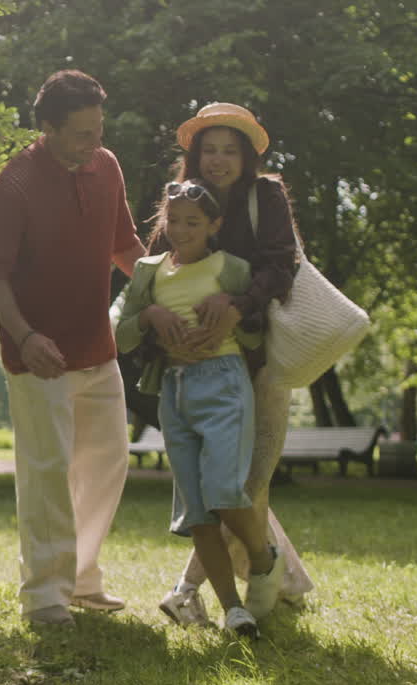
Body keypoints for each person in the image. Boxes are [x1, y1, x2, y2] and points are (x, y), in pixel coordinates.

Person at [0, 69, 146, 626]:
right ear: (47, 128)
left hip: (97, 346)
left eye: (98, 129)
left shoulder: (107, 165)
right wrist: (25, 335)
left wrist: (158, 292)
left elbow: (125, 244)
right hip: (38, 354)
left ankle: (81, 578)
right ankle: (45, 596)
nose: (92, 142)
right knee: (47, 469)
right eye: (80, 133)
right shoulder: (15, 183)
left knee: (107, 463)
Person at [150, 102, 316, 627]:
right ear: (195, 154)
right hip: (192, 369)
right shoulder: (179, 204)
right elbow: (152, 270)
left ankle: (193, 589)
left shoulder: (264, 195)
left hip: (259, 360)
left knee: (248, 480)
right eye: (209, 149)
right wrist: (155, 315)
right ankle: (265, 581)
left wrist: (236, 303)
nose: (218, 160)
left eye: (229, 150)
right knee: (219, 483)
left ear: (245, 156)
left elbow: (280, 265)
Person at [114, 179, 281, 635]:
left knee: (224, 489)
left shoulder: (231, 267)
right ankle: (233, 609)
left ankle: (265, 559)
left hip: (225, 383)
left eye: (193, 222)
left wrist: (229, 310)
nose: (182, 229)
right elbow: (121, 335)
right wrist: (150, 316)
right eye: (174, 220)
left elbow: (257, 330)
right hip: (175, 389)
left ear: (215, 225)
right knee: (198, 513)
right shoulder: (149, 270)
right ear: (163, 221)